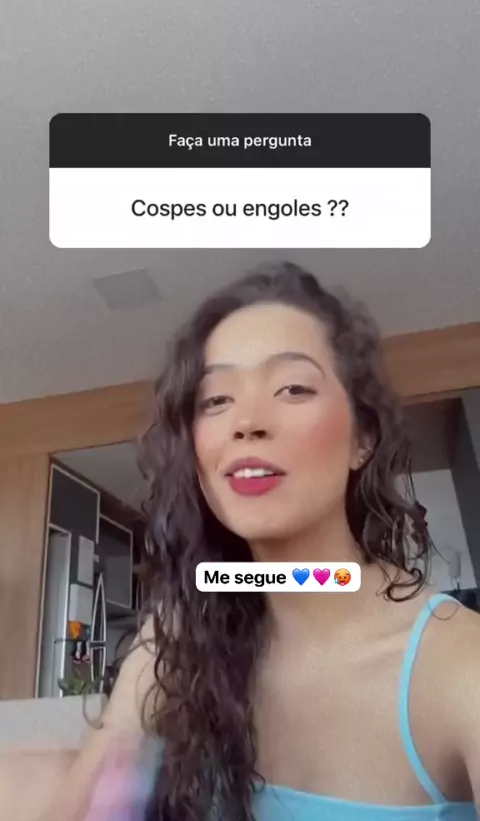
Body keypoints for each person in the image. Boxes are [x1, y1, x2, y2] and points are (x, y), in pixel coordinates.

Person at [46, 262, 480, 821]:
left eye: (293, 388)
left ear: (362, 439)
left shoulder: (460, 665)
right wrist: (133, 700)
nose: (246, 421)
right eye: (215, 400)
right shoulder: (192, 641)